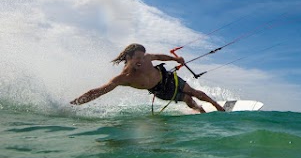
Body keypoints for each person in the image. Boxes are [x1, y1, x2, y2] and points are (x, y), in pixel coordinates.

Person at [70, 43, 225, 113]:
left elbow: (159, 56)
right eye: (137, 58)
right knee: (189, 100)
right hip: (161, 91)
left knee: (197, 93)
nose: (141, 61)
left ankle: (219, 109)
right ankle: (200, 111)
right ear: (128, 57)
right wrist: (75, 103)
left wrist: (176, 59)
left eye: (142, 57)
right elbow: (99, 91)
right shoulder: (124, 78)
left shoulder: (147, 58)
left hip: (168, 78)